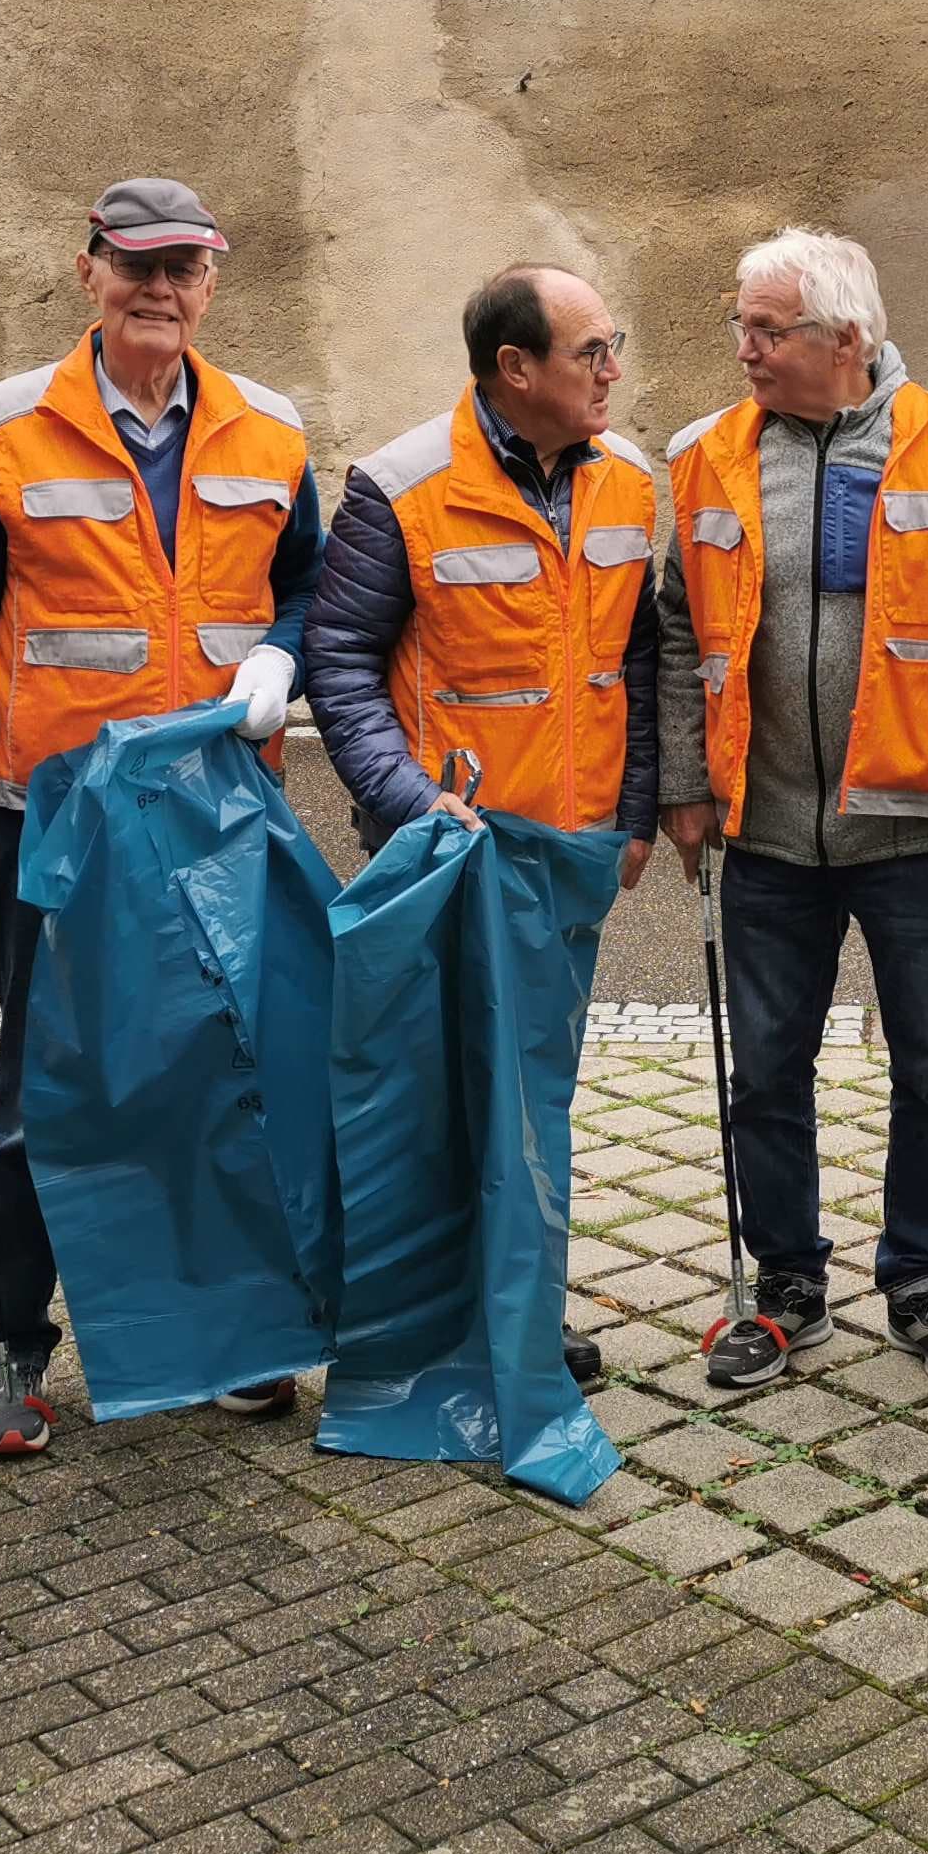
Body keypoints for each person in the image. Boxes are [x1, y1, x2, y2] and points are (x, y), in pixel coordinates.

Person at [0, 179, 323, 1464]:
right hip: (61, 823)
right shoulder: (7, 426)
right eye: (136, 265)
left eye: (184, 266)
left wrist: (281, 661)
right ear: (89, 274)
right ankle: (12, 1351)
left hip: (220, 819)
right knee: (43, 1097)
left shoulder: (270, 429)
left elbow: (310, 594)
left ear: (211, 282)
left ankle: (236, 1339)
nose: (161, 288)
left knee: (224, 1077)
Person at [657, 229, 928, 1395]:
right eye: (742, 326)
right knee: (766, 1071)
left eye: (769, 330)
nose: (745, 349)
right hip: (765, 833)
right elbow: (676, 629)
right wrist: (679, 782)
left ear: (847, 341)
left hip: (920, 833)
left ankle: (920, 1280)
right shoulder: (707, 455)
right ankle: (787, 1286)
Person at [306, 262, 661, 1388]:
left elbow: (637, 659)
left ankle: (521, 1308)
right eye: (592, 351)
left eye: (613, 347)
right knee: (445, 1091)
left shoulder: (628, 484)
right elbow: (339, 661)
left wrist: (639, 807)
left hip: (570, 853)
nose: (613, 369)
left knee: (534, 1090)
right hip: (449, 852)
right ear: (517, 369)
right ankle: (433, 1314)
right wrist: (413, 807)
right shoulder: (401, 487)